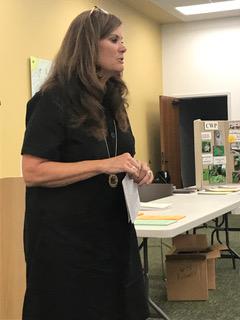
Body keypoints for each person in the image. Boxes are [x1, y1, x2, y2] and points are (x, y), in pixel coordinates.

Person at [21, 6, 153, 320]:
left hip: (113, 232)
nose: (123, 47)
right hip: (66, 243)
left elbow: (121, 157)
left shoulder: (113, 100)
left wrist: (138, 169)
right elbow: (32, 170)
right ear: (88, 45)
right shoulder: (53, 99)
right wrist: (102, 165)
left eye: (123, 40)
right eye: (114, 39)